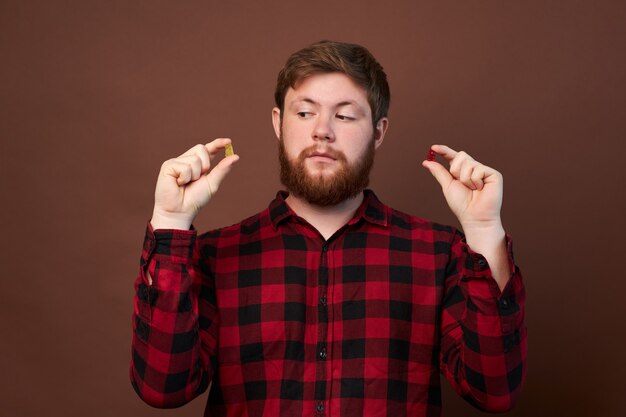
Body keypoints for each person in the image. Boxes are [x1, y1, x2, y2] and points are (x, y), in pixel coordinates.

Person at [130, 40, 526, 417]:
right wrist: (170, 223)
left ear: (379, 131)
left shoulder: (438, 253)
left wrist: (484, 230)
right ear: (278, 123)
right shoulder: (218, 255)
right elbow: (163, 389)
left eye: (345, 115)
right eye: (304, 113)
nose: (322, 131)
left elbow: (494, 391)